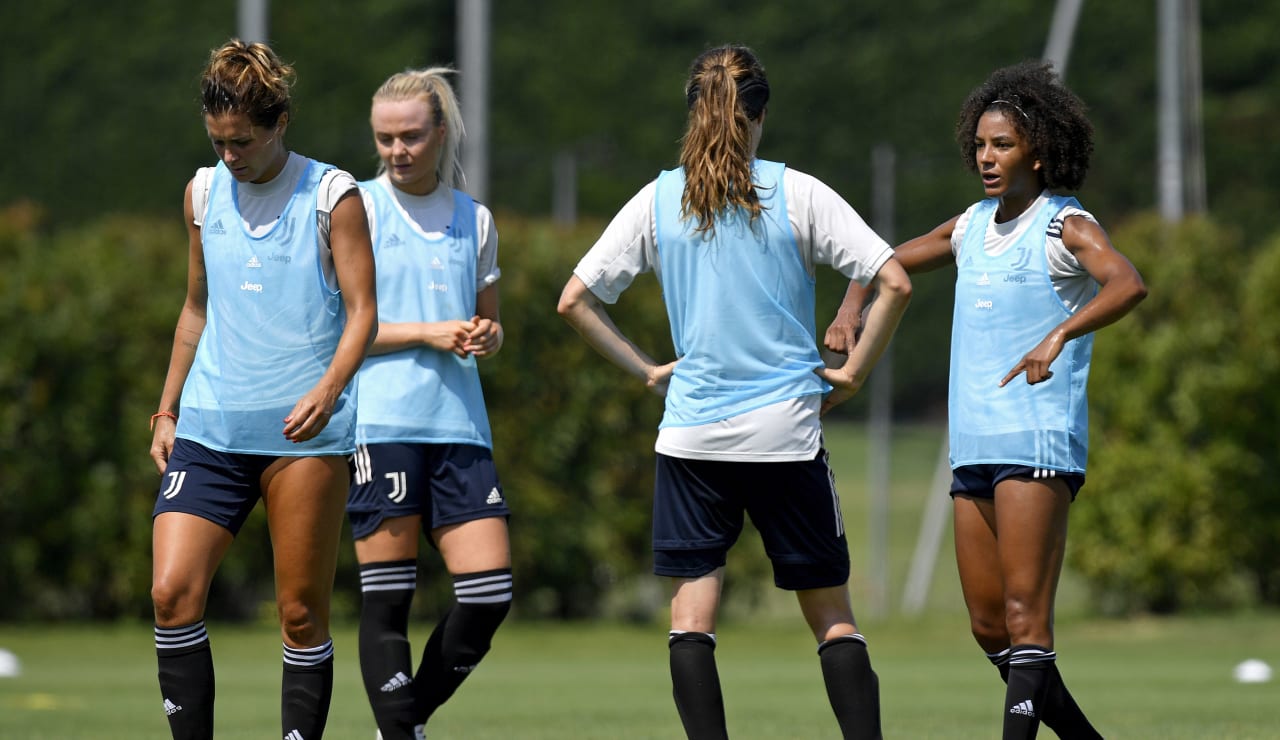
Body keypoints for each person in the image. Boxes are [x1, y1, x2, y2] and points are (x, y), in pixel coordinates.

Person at [558, 45, 911, 740]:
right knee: (832, 618)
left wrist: (648, 370)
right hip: (786, 435)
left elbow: (574, 300)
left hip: (690, 436)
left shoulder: (659, 198)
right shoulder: (798, 191)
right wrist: (855, 373)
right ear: (762, 116)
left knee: (691, 621)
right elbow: (894, 279)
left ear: (693, 111)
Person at [826, 60, 1147, 739]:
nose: (986, 157)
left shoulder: (1066, 226)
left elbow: (1126, 284)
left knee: (1029, 619)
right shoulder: (971, 226)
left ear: (1036, 147)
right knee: (989, 626)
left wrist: (1059, 334)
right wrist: (853, 301)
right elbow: (885, 261)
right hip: (972, 445)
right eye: (979, 145)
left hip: (1036, 439)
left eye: (1000, 144)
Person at [147, 39, 377, 740]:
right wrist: (166, 409)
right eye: (217, 140)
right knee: (170, 594)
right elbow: (196, 308)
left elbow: (365, 312)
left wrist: (331, 389)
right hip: (209, 431)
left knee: (301, 614)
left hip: (301, 438)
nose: (229, 156)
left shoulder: (332, 196)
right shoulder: (202, 191)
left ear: (280, 124)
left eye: (242, 141)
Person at [345, 68, 511, 740]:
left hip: (462, 430)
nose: (397, 149)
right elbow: (337, 335)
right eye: (385, 138)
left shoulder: (475, 219)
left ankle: (403, 722)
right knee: (388, 601)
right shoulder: (353, 209)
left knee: (489, 594)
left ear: (440, 131)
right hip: (381, 426)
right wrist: (427, 332)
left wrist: (486, 335)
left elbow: (488, 322)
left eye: (411, 135)